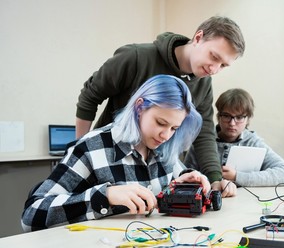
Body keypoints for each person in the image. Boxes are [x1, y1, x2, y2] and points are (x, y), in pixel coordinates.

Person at [75, 16, 246, 190]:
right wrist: (79, 152)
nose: (214, 69)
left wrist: (215, 179)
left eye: (223, 65)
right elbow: (90, 97)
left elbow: (204, 131)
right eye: (214, 56)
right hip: (110, 164)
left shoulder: (203, 83)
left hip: (155, 172)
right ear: (198, 38)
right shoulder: (135, 57)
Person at [22, 75, 209, 232]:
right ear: (139, 107)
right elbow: (31, 215)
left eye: (174, 128)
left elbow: (177, 178)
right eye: (160, 123)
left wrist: (187, 181)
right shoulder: (91, 148)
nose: (166, 135)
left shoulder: (164, 146)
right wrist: (105, 196)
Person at [184, 88, 284, 197]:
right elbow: (185, 176)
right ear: (218, 116)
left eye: (239, 117)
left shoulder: (253, 142)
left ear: (248, 119)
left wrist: (237, 176)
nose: (232, 123)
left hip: (243, 204)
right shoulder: (203, 141)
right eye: (226, 116)